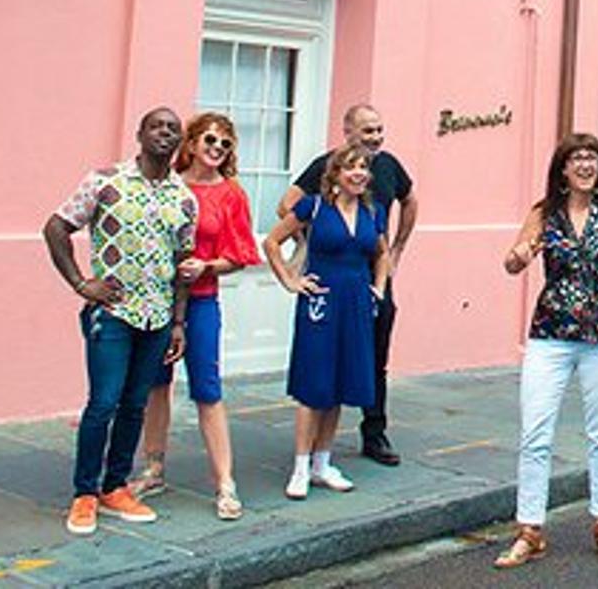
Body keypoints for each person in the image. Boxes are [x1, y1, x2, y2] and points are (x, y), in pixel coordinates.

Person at [493, 134, 598, 569]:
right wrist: (520, 255)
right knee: (535, 433)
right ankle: (529, 530)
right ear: (563, 169)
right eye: (576, 158)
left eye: (591, 158)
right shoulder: (544, 213)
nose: (584, 165)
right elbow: (512, 263)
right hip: (552, 334)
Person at [43, 106, 198, 537]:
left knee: (135, 405)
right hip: (112, 314)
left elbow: (183, 263)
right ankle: (85, 493)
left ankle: (115, 486)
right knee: (103, 403)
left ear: (179, 141)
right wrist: (80, 283)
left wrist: (179, 322)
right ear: (140, 135)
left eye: (172, 129)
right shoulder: (105, 182)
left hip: (157, 318)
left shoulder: (184, 198)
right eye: (156, 127)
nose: (164, 133)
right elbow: (55, 228)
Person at [132, 112, 262, 520]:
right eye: (210, 140)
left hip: (202, 301)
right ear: (191, 142)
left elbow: (239, 255)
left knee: (208, 389)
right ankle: (153, 468)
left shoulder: (230, 194)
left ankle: (225, 482)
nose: (217, 148)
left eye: (225, 144)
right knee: (155, 385)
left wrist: (207, 266)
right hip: (157, 299)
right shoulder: (168, 184)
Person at [279, 103, 417, 465]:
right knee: (324, 358)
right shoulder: (327, 165)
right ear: (348, 132)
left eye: (379, 129)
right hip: (333, 276)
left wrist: (397, 249)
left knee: (375, 355)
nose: (376, 137)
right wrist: (313, 244)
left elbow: (410, 200)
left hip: (370, 276)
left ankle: (374, 432)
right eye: (368, 130)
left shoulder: (388, 166)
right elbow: (287, 205)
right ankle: (309, 452)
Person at [265, 142, 388, 499]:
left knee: (340, 384)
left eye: (363, 167)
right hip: (320, 303)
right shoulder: (314, 206)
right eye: (351, 167)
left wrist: (378, 288)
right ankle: (301, 466)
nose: (359, 173)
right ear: (335, 173)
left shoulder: (373, 211)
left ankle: (323, 462)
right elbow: (272, 242)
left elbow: (381, 253)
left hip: (356, 303)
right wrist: (290, 281)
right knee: (313, 384)